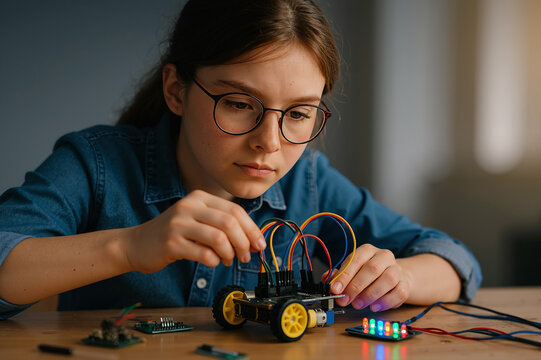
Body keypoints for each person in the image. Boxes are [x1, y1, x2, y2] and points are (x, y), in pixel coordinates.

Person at [0, 0, 481, 319]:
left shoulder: (310, 182)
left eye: (298, 114)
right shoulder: (96, 164)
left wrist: (402, 276)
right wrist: (129, 247)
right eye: (238, 104)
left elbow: (457, 262)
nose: (269, 142)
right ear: (176, 90)